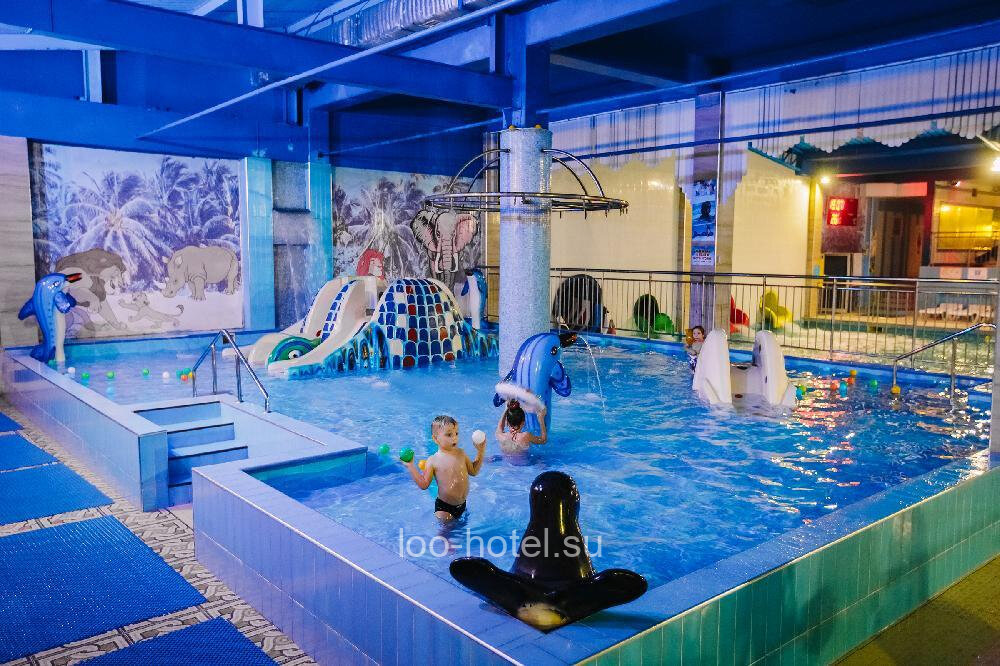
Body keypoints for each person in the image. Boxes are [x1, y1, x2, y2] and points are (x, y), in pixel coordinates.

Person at [403, 415, 486, 521]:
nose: (454, 437)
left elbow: (473, 471)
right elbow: (424, 484)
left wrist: (480, 451)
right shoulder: (433, 460)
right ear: (435, 438)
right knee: (447, 531)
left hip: (462, 505)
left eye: (456, 433)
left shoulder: (461, 453)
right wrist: (410, 466)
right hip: (444, 508)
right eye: (449, 434)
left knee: (461, 529)